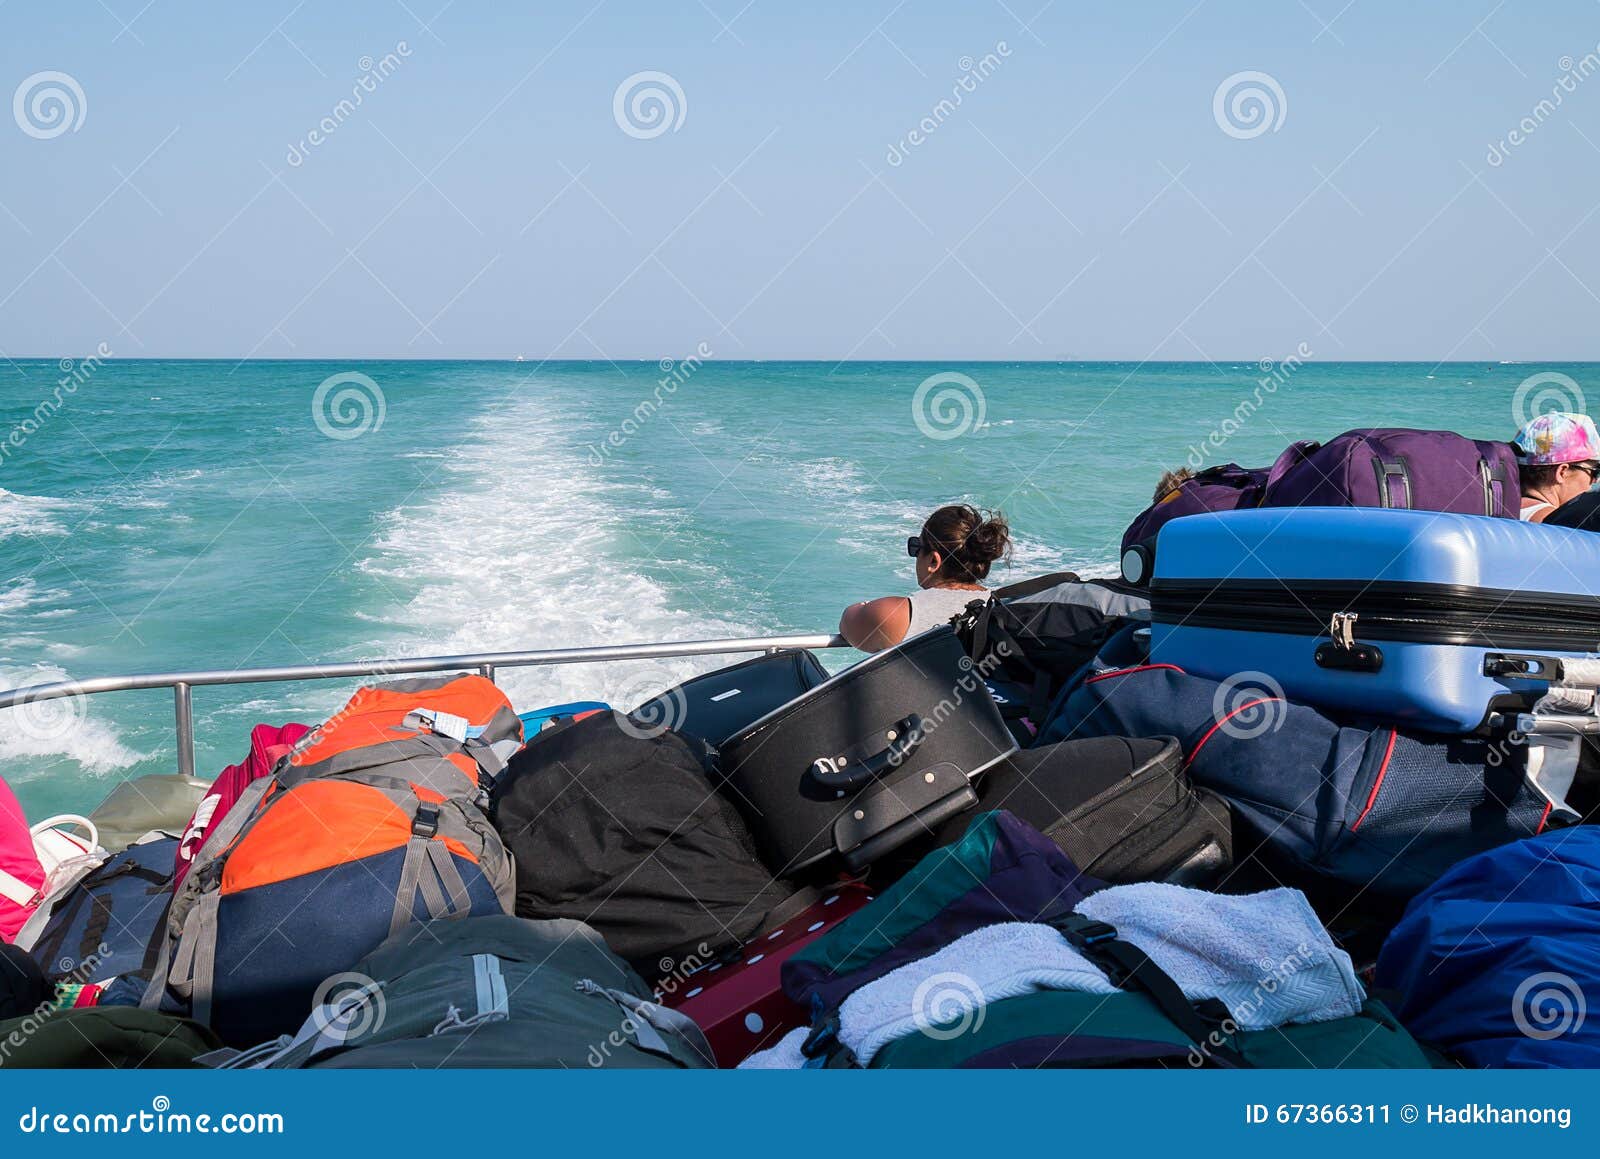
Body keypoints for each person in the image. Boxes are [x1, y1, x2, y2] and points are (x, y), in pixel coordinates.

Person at [838, 504, 1011, 652]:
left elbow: (849, 624)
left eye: (916, 547)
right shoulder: (1006, 608)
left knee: (808, 660)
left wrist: (865, 607)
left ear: (934, 561)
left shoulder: (896, 613)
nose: (915, 554)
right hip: (979, 691)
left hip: (918, 692)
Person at [1511, 412, 1600, 523]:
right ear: (1562, 472)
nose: (1596, 480)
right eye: (1595, 472)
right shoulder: (1557, 523)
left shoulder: (1501, 506)